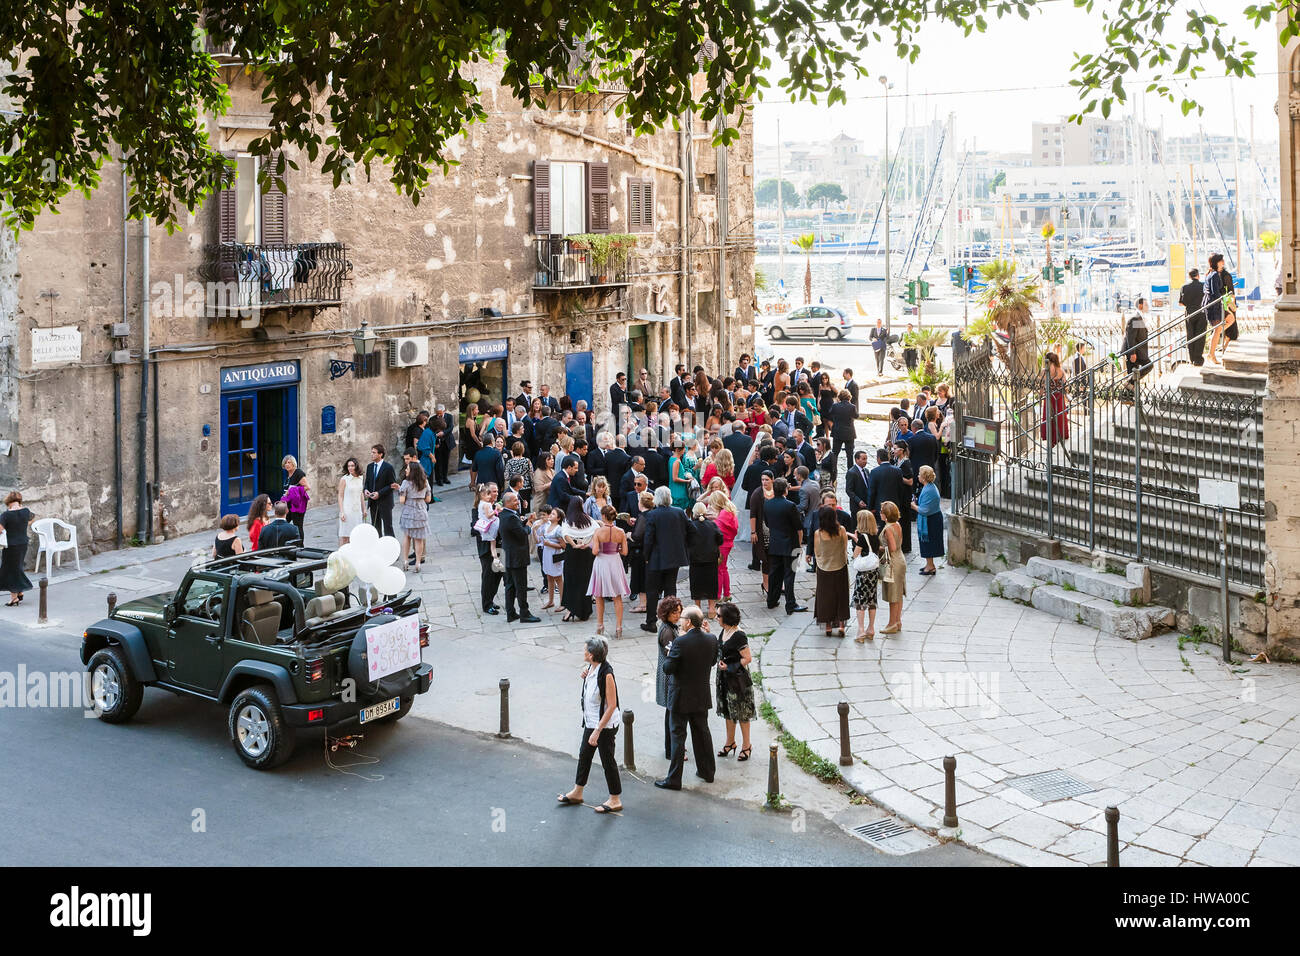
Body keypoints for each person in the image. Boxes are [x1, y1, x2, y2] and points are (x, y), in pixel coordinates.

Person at [557, 637, 624, 814]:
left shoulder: (606, 674)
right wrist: (585, 677)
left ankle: (615, 799)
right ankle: (577, 792)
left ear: (592, 655)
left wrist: (598, 731)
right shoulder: (592, 668)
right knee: (584, 755)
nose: (583, 651)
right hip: (591, 722)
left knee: (607, 760)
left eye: (585, 649)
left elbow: (611, 705)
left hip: (604, 725)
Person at [656, 605, 718, 791]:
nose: (680, 620)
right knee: (702, 734)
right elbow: (713, 661)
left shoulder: (680, 642)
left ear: (689, 621)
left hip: (680, 696)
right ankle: (707, 771)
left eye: (682, 617)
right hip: (700, 695)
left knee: (678, 737)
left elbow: (668, 668)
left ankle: (674, 779)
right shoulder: (711, 638)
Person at [640, 486, 694, 631]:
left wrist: (646, 556)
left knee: (652, 591)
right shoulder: (679, 512)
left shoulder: (652, 514)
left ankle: (651, 622)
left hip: (656, 559)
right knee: (670, 590)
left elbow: (648, 539)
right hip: (674, 557)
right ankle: (671, 620)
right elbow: (691, 529)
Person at [714, 602, 755, 761]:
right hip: (724, 679)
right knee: (728, 712)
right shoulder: (725, 630)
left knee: (742, 713)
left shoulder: (739, 635)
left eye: (719, 615)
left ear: (727, 618)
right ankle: (730, 742)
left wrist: (730, 667)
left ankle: (747, 746)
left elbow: (748, 658)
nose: (716, 618)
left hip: (738, 680)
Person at [764, 477, 807, 615]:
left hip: (775, 543)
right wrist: (799, 546)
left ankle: (771, 600)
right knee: (789, 575)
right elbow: (799, 528)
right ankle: (790, 604)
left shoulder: (767, 504)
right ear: (785, 490)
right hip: (790, 545)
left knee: (774, 574)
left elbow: (768, 523)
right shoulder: (790, 505)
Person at [587, 504, 630, 637]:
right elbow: (625, 552)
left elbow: (594, 551)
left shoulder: (598, 532)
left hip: (602, 562)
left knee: (599, 595)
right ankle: (618, 627)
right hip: (615, 562)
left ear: (604, 516)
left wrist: (593, 546)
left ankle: (600, 625)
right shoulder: (621, 532)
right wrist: (614, 548)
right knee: (617, 596)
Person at [498, 492, 540, 623]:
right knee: (521, 586)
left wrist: (526, 521)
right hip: (517, 557)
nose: (518, 502)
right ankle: (524, 613)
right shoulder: (511, 517)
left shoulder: (504, 514)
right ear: (507, 503)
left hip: (508, 555)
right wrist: (529, 524)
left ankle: (510, 613)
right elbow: (522, 533)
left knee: (510, 585)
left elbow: (516, 529)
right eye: (515, 500)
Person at [813, 505, 851, 637]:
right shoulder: (841, 530)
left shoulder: (818, 533)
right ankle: (841, 625)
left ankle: (828, 626)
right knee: (841, 596)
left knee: (825, 598)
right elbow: (845, 547)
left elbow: (817, 552)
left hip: (824, 569)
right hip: (840, 566)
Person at [560, 496, 596, 623]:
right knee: (585, 581)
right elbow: (596, 531)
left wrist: (574, 545)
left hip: (572, 553)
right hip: (586, 553)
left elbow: (565, 534)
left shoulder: (567, 520)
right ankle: (584, 610)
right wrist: (587, 544)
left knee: (571, 581)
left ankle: (570, 609)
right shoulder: (588, 519)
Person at [687, 502, 723, 619]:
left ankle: (698, 609)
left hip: (695, 559)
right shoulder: (712, 525)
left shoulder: (691, 525)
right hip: (711, 558)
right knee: (711, 582)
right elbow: (720, 539)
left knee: (696, 583)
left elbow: (685, 540)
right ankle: (712, 609)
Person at [851, 509, 882, 642]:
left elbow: (855, 555)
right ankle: (871, 628)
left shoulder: (862, 538)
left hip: (863, 574)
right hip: (874, 573)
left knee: (860, 601)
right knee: (872, 600)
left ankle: (861, 630)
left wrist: (855, 540)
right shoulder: (875, 536)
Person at [397, 461, 432, 571]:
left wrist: (402, 493)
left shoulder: (405, 483)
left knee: (407, 536)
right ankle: (418, 563)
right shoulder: (425, 482)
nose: (406, 470)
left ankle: (406, 561)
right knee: (419, 539)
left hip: (408, 511)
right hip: (421, 511)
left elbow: (401, 500)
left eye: (407, 469)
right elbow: (428, 499)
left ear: (412, 471)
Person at [0, 492, 33, 606]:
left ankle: (14, 597)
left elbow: (0, 529)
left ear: (8, 502)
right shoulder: (26, 511)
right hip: (23, 543)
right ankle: (20, 591)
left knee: (9, 570)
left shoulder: (6, 515)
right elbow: (31, 519)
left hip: (11, 545)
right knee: (17, 567)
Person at [474, 483, 502, 616]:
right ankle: (486, 604)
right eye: (492, 492)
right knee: (488, 575)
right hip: (486, 546)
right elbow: (476, 527)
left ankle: (491, 598)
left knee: (498, 573)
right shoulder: (481, 507)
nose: (495, 494)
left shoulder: (497, 505)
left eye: (496, 491)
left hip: (500, 545)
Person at [879, 500, 906, 634]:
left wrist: (878, 547)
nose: (880, 514)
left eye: (882, 512)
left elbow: (892, 547)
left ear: (886, 514)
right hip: (900, 560)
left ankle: (891, 624)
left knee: (892, 595)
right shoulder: (897, 524)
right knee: (898, 593)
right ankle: (898, 621)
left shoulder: (888, 528)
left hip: (893, 563)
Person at [709, 490, 739, 602]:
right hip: (728, 543)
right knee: (723, 569)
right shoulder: (729, 510)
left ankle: (718, 596)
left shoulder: (722, 514)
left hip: (722, 545)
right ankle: (727, 594)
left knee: (719, 570)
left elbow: (717, 531)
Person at [913, 465, 944, 575]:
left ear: (924, 477)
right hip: (931, 518)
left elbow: (924, 510)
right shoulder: (929, 487)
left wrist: (913, 506)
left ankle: (930, 566)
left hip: (931, 520)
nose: (918, 476)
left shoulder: (929, 490)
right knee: (926, 543)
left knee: (928, 543)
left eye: (919, 474)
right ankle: (929, 564)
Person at [363, 445, 397, 537]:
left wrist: (379, 493)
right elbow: (367, 482)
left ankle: (391, 547)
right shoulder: (369, 467)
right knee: (375, 526)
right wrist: (365, 490)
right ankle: (377, 546)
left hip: (385, 502)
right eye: (371, 452)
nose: (371, 454)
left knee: (388, 526)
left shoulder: (388, 467)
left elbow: (392, 485)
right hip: (373, 501)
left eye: (374, 452)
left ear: (380, 454)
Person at [536, 505, 564, 610]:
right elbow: (540, 539)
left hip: (555, 555)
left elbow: (563, 546)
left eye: (553, 514)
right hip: (547, 554)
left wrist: (549, 544)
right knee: (549, 577)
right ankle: (551, 601)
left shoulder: (558, 529)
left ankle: (563, 602)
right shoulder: (547, 527)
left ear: (558, 518)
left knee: (558, 578)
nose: (550, 515)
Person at [1041, 352, 1070, 447]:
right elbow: (1065, 386)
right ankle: (1059, 437)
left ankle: (1050, 437)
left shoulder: (1045, 371)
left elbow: (1042, 386)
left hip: (1049, 396)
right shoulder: (1061, 371)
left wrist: (1040, 395)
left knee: (1049, 416)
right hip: (1059, 397)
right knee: (1059, 416)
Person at [1181, 268, 1206, 367]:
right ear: (1198, 275)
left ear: (1189, 276)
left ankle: (1192, 358)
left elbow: (1181, 302)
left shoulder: (1184, 287)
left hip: (1189, 313)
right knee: (1200, 335)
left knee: (1190, 335)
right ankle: (1198, 359)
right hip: (1201, 312)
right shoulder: (1203, 286)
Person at [1123, 298, 1153, 382]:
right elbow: (1131, 337)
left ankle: (1129, 388)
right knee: (1148, 366)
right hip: (1134, 352)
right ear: (1140, 306)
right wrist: (1132, 353)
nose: (1148, 307)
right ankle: (1129, 383)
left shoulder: (1140, 317)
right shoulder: (1136, 318)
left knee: (1135, 375)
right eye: (1146, 305)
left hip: (1138, 351)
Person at [337, 457, 365, 544]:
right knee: (345, 536)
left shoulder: (360, 477)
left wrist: (364, 509)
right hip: (347, 511)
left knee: (356, 536)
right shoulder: (344, 479)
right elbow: (340, 496)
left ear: (356, 466)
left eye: (352, 466)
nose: (350, 468)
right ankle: (342, 556)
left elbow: (361, 494)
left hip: (357, 512)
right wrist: (342, 512)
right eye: (349, 466)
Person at [281, 455, 310, 535]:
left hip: (298, 504)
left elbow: (307, 487)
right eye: (285, 463)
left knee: (298, 526)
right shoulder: (288, 476)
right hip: (288, 504)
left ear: (293, 464)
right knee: (283, 523)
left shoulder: (298, 473)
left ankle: (300, 545)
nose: (287, 464)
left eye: (289, 462)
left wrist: (292, 490)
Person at [503, 441, 533, 511]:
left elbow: (506, 477)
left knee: (515, 509)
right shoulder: (527, 461)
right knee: (525, 508)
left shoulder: (509, 462)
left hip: (514, 488)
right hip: (525, 487)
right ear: (523, 450)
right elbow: (531, 474)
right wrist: (533, 486)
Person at [668, 439, 696, 510]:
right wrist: (687, 481)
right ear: (677, 449)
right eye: (683, 449)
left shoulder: (671, 458)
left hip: (673, 489)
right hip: (678, 491)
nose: (684, 451)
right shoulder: (677, 461)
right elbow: (675, 478)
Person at [846, 449, 871, 518]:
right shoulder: (851, 472)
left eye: (866, 459)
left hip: (866, 504)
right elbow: (849, 490)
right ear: (857, 460)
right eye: (863, 459)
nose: (865, 461)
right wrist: (858, 501)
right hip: (857, 506)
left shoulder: (866, 470)